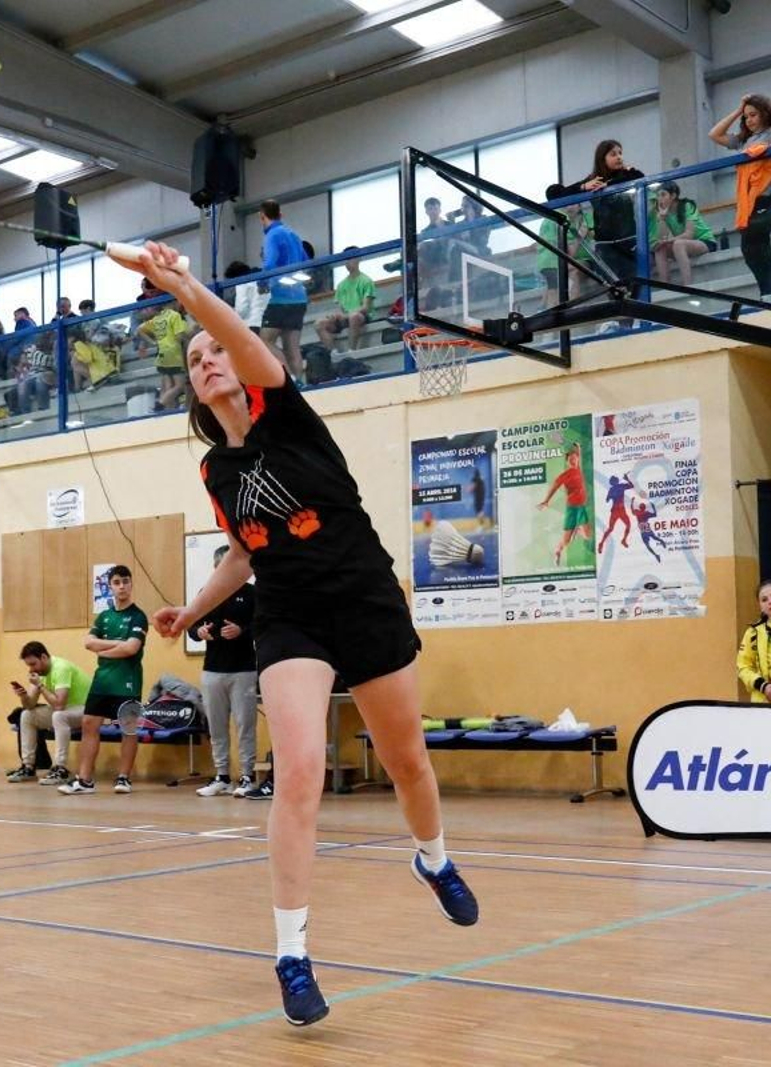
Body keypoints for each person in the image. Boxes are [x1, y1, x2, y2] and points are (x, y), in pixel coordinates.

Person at [126, 239, 478, 1027]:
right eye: (194, 359)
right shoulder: (216, 473)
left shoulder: (288, 413)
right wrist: (193, 607)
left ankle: (434, 858)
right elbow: (247, 552)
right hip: (291, 619)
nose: (209, 360)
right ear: (189, 387)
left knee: (408, 763)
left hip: (366, 600)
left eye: (216, 348)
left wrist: (185, 289)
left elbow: (243, 341)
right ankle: (292, 955)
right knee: (298, 774)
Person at [59, 565, 146, 796]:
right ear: (110, 587)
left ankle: (124, 778)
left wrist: (105, 648)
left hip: (128, 681)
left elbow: (132, 648)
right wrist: (118, 644)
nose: (122, 586)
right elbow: (88, 642)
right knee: (89, 725)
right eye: (117, 582)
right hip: (102, 682)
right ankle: (85, 780)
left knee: (128, 729)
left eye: (125, 581)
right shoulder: (104, 616)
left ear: (131, 584)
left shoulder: (138, 616)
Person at [188, 544, 258, 797]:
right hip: (212, 671)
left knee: (244, 725)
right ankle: (222, 776)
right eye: (220, 568)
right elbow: (191, 627)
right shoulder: (206, 593)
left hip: (243, 670)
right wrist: (199, 632)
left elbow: (263, 625)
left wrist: (242, 631)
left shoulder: (252, 594)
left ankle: (248, 776)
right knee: (216, 726)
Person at [711, 94, 771, 297]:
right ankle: (769, 293)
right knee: (752, 247)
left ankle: (769, 292)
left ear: (765, 112)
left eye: (753, 115)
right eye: (746, 117)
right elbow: (715, 134)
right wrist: (738, 110)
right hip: (749, 201)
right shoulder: (744, 139)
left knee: (755, 243)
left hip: (768, 196)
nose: (749, 120)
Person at [560, 141, 647, 295]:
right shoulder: (593, 180)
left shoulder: (628, 174)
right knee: (615, 291)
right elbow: (553, 192)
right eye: (613, 154)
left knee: (636, 288)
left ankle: (637, 319)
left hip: (629, 242)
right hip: (606, 247)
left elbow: (640, 177)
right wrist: (583, 187)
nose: (619, 157)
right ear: (602, 158)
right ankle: (619, 320)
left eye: (620, 153)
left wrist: (609, 184)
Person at [4, 641, 90, 786]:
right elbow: (30, 705)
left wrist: (40, 685)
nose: (31, 669)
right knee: (26, 715)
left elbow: (59, 705)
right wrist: (23, 695)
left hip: (85, 710)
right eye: (29, 665)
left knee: (59, 715)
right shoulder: (39, 673)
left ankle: (60, 768)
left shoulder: (61, 668)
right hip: (65, 710)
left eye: (33, 664)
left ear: (44, 657)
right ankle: (28, 767)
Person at [256, 199, 309, 384]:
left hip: (280, 297)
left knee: (264, 341)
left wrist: (262, 283)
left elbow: (270, 263)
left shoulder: (272, 235)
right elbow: (306, 260)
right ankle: (301, 383)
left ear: (262, 216)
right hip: (299, 297)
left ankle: (290, 379)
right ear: (281, 214)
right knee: (293, 346)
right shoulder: (293, 234)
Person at [648, 182, 716, 287]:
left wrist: (669, 240)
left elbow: (689, 234)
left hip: (705, 241)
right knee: (659, 248)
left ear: (673, 196)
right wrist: (662, 218)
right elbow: (662, 237)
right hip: (683, 245)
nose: (659, 199)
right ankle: (665, 286)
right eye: (658, 196)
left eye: (663, 195)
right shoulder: (664, 212)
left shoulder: (687, 206)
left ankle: (687, 285)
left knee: (678, 244)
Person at [538, 443, 590, 567]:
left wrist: (579, 449)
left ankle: (577, 530)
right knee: (566, 541)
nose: (574, 460)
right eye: (571, 458)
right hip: (571, 509)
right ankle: (557, 551)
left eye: (575, 458)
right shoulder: (565, 475)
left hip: (581, 507)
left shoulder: (579, 470)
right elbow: (554, 487)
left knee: (587, 535)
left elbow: (580, 458)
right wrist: (546, 500)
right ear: (567, 461)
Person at [315, 249, 375, 355]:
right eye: (345, 260)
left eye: (350, 259)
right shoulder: (341, 285)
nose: (347, 262)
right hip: (345, 317)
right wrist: (336, 316)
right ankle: (333, 352)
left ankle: (352, 350)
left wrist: (347, 315)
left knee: (354, 316)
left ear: (358, 259)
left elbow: (365, 308)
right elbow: (340, 308)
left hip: (361, 317)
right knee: (319, 324)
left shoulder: (366, 281)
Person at [136, 301, 189, 409]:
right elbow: (179, 337)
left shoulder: (157, 319)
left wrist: (152, 342)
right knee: (180, 385)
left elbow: (139, 329)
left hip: (161, 352)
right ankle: (160, 404)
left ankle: (168, 411)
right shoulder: (175, 316)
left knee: (168, 384)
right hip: (173, 352)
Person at [597, 474, 635, 551]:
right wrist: (627, 479)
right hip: (620, 510)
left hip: (614, 511)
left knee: (611, 528)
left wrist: (612, 495)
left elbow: (607, 500)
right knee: (628, 525)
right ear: (617, 481)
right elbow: (631, 486)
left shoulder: (611, 489)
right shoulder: (621, 486)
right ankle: (624, 540)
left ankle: (601, 543)